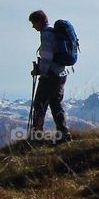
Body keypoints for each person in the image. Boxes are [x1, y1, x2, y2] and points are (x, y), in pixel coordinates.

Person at [28, 10, 71, 143]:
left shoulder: (46, 34)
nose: (33, 27)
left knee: (39, 104)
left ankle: (37, 136)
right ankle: (64, 134)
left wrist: (39, 71)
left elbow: (47, 57)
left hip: (50, 75)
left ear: (39, 21)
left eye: (34, 23)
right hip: (61, 74)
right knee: (56, 104)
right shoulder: (54, 33)